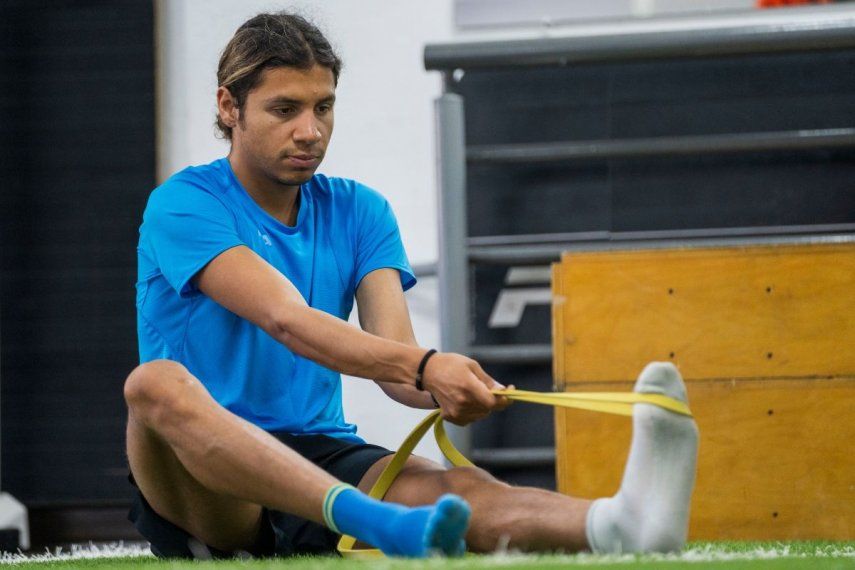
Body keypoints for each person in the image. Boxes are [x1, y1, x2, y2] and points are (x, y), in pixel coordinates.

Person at [124, 11, 699, 559]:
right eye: (285, 109)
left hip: (321, 449)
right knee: (154, 384)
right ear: (230, 107)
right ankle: (373, 521)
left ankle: (618, 523)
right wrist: (425, 366)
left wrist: (451, 384)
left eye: (324, 107)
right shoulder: (184, 204)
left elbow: (398, 365)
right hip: (207, 476)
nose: (310, 130)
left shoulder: (360, 210)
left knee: (464, 489)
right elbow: (286, 319)